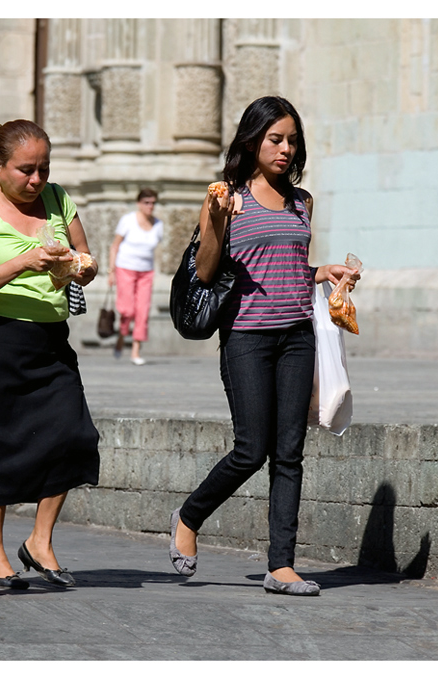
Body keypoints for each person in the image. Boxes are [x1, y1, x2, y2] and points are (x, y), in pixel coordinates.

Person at [168, 96, 361, 596]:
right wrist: (215, 216)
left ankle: (281, 565)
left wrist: (325, 272)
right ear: (252, 141)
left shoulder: (303, 201)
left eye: (292, 140)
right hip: (246, 338)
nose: (285, 148)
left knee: (290, 452)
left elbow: (293, 262)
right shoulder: (227, 197)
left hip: (297, 335)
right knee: (252, 448)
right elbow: (208, 271)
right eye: (275, 138)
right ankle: (189, 517)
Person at [0, 119, 100, 590]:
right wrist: (22, 262)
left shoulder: (58, 198)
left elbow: (86, 259)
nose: (36, 180)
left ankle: (39, 541)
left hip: (49, 340)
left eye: (44, 169)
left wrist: (77, 267)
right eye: (26, 170)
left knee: (74, 435)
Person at [108, 188, 163, 365]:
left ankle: (135, 351)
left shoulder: (158, 225)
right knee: (128, 310)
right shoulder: (128, 220)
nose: (150, 206)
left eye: (153, 203)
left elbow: (155, 251)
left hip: (146, 272)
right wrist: (111, 272)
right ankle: (122, 336)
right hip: (125, 268)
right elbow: (114, 246)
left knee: (143, 310)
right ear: (139, 204)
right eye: (147, 202)